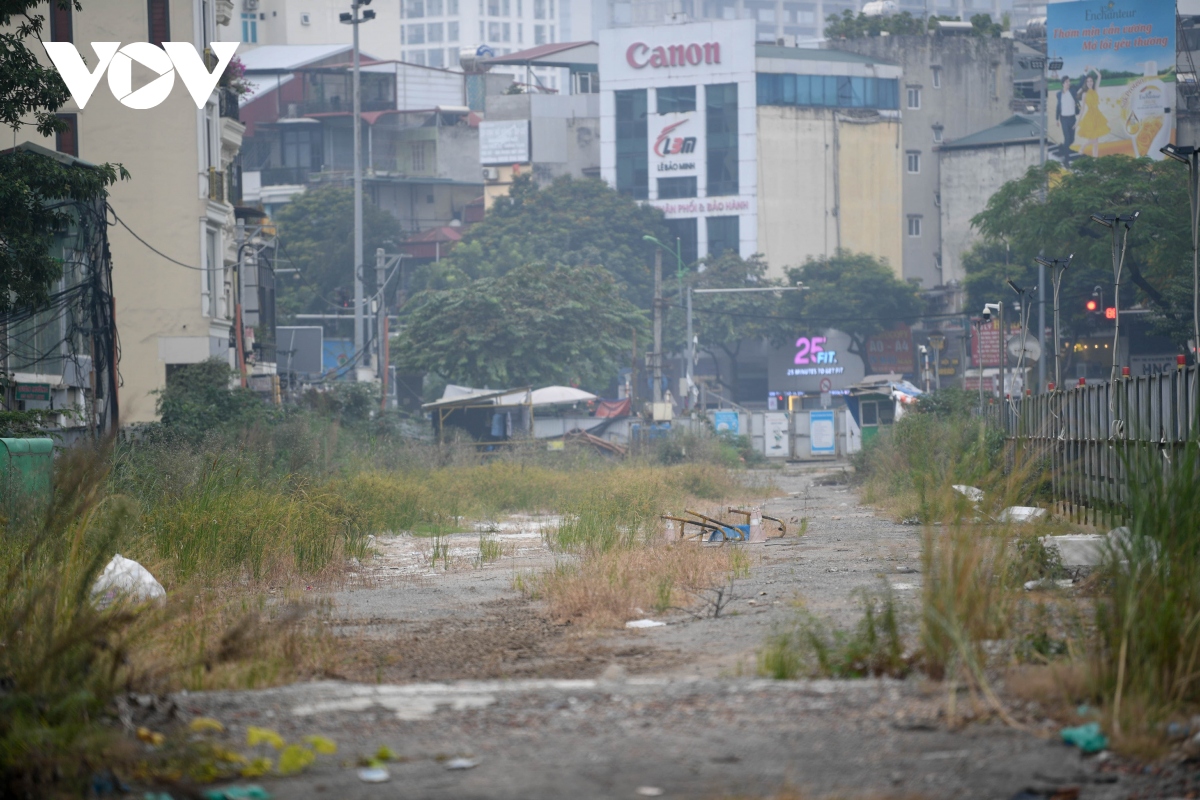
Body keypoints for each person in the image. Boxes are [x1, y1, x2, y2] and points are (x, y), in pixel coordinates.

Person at [1075, 67, 1109, 158]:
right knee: (1094, 140)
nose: (1090, 83)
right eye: (1088, 81)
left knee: (1096, 142)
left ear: (1093, 82)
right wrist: (1078, 122)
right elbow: (1082, 109)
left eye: (1091, 81)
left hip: (1097, 115)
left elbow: (1099, 75)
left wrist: (1092, 68)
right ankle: (1083, 146)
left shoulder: (1095, 90)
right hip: (1090, 116)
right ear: (1086, 83)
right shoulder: (1084, 94)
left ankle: (1095, 160)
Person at [1055, 75, 1077, 159]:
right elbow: (1058, 107)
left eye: (1069, 81)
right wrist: (1056, 119)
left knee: (1072, 140)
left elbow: (1080, 84)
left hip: (1072, 119)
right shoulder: (1059, 94)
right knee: (1067, 138)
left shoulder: (1072, 91)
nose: (1069, 83)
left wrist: (1084, 73)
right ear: (1063, 84)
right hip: (1064, 119)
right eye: (1067, 82)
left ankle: (1062, 147)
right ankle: (1066, 160)